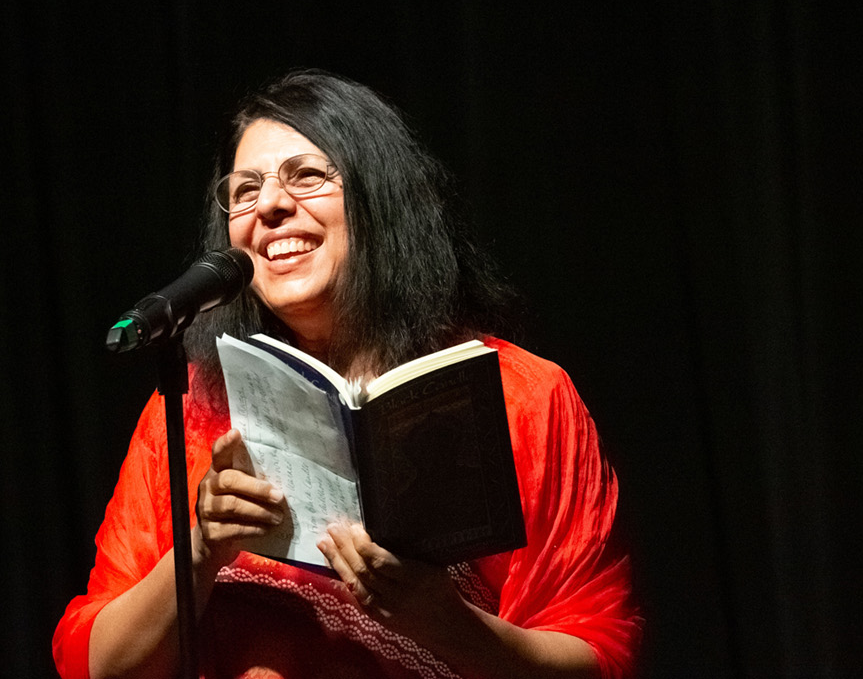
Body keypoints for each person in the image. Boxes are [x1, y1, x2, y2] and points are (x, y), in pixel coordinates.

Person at [54, 70, 640, 679]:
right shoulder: (190, 410)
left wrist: (446, 624)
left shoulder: (522, 396)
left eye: (306, 175)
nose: (270, 206)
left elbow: (602, 655)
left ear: (378, 199)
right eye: (246, 189)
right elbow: (94, 663)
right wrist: (199, 551)